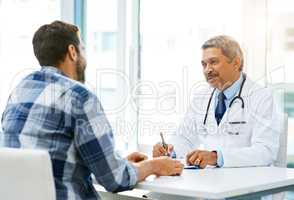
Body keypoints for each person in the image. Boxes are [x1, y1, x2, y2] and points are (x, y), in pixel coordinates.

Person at [0, 21, 183, 200]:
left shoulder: (19, 91)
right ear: (73, 52)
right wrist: (154, 166)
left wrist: (118, 163)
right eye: (83, 49)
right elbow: (116, 180)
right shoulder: (79, 96)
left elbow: (56, 163)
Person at [153, 35, 281, 169]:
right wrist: (169, 150)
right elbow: (185, 138)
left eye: (213, 62)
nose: (207, 69)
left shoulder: (261, 97)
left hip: (247, 182)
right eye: (204, 64)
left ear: (236, 63)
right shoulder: (201, 98)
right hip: (211, 181)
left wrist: (217, 157)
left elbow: (265, 151)